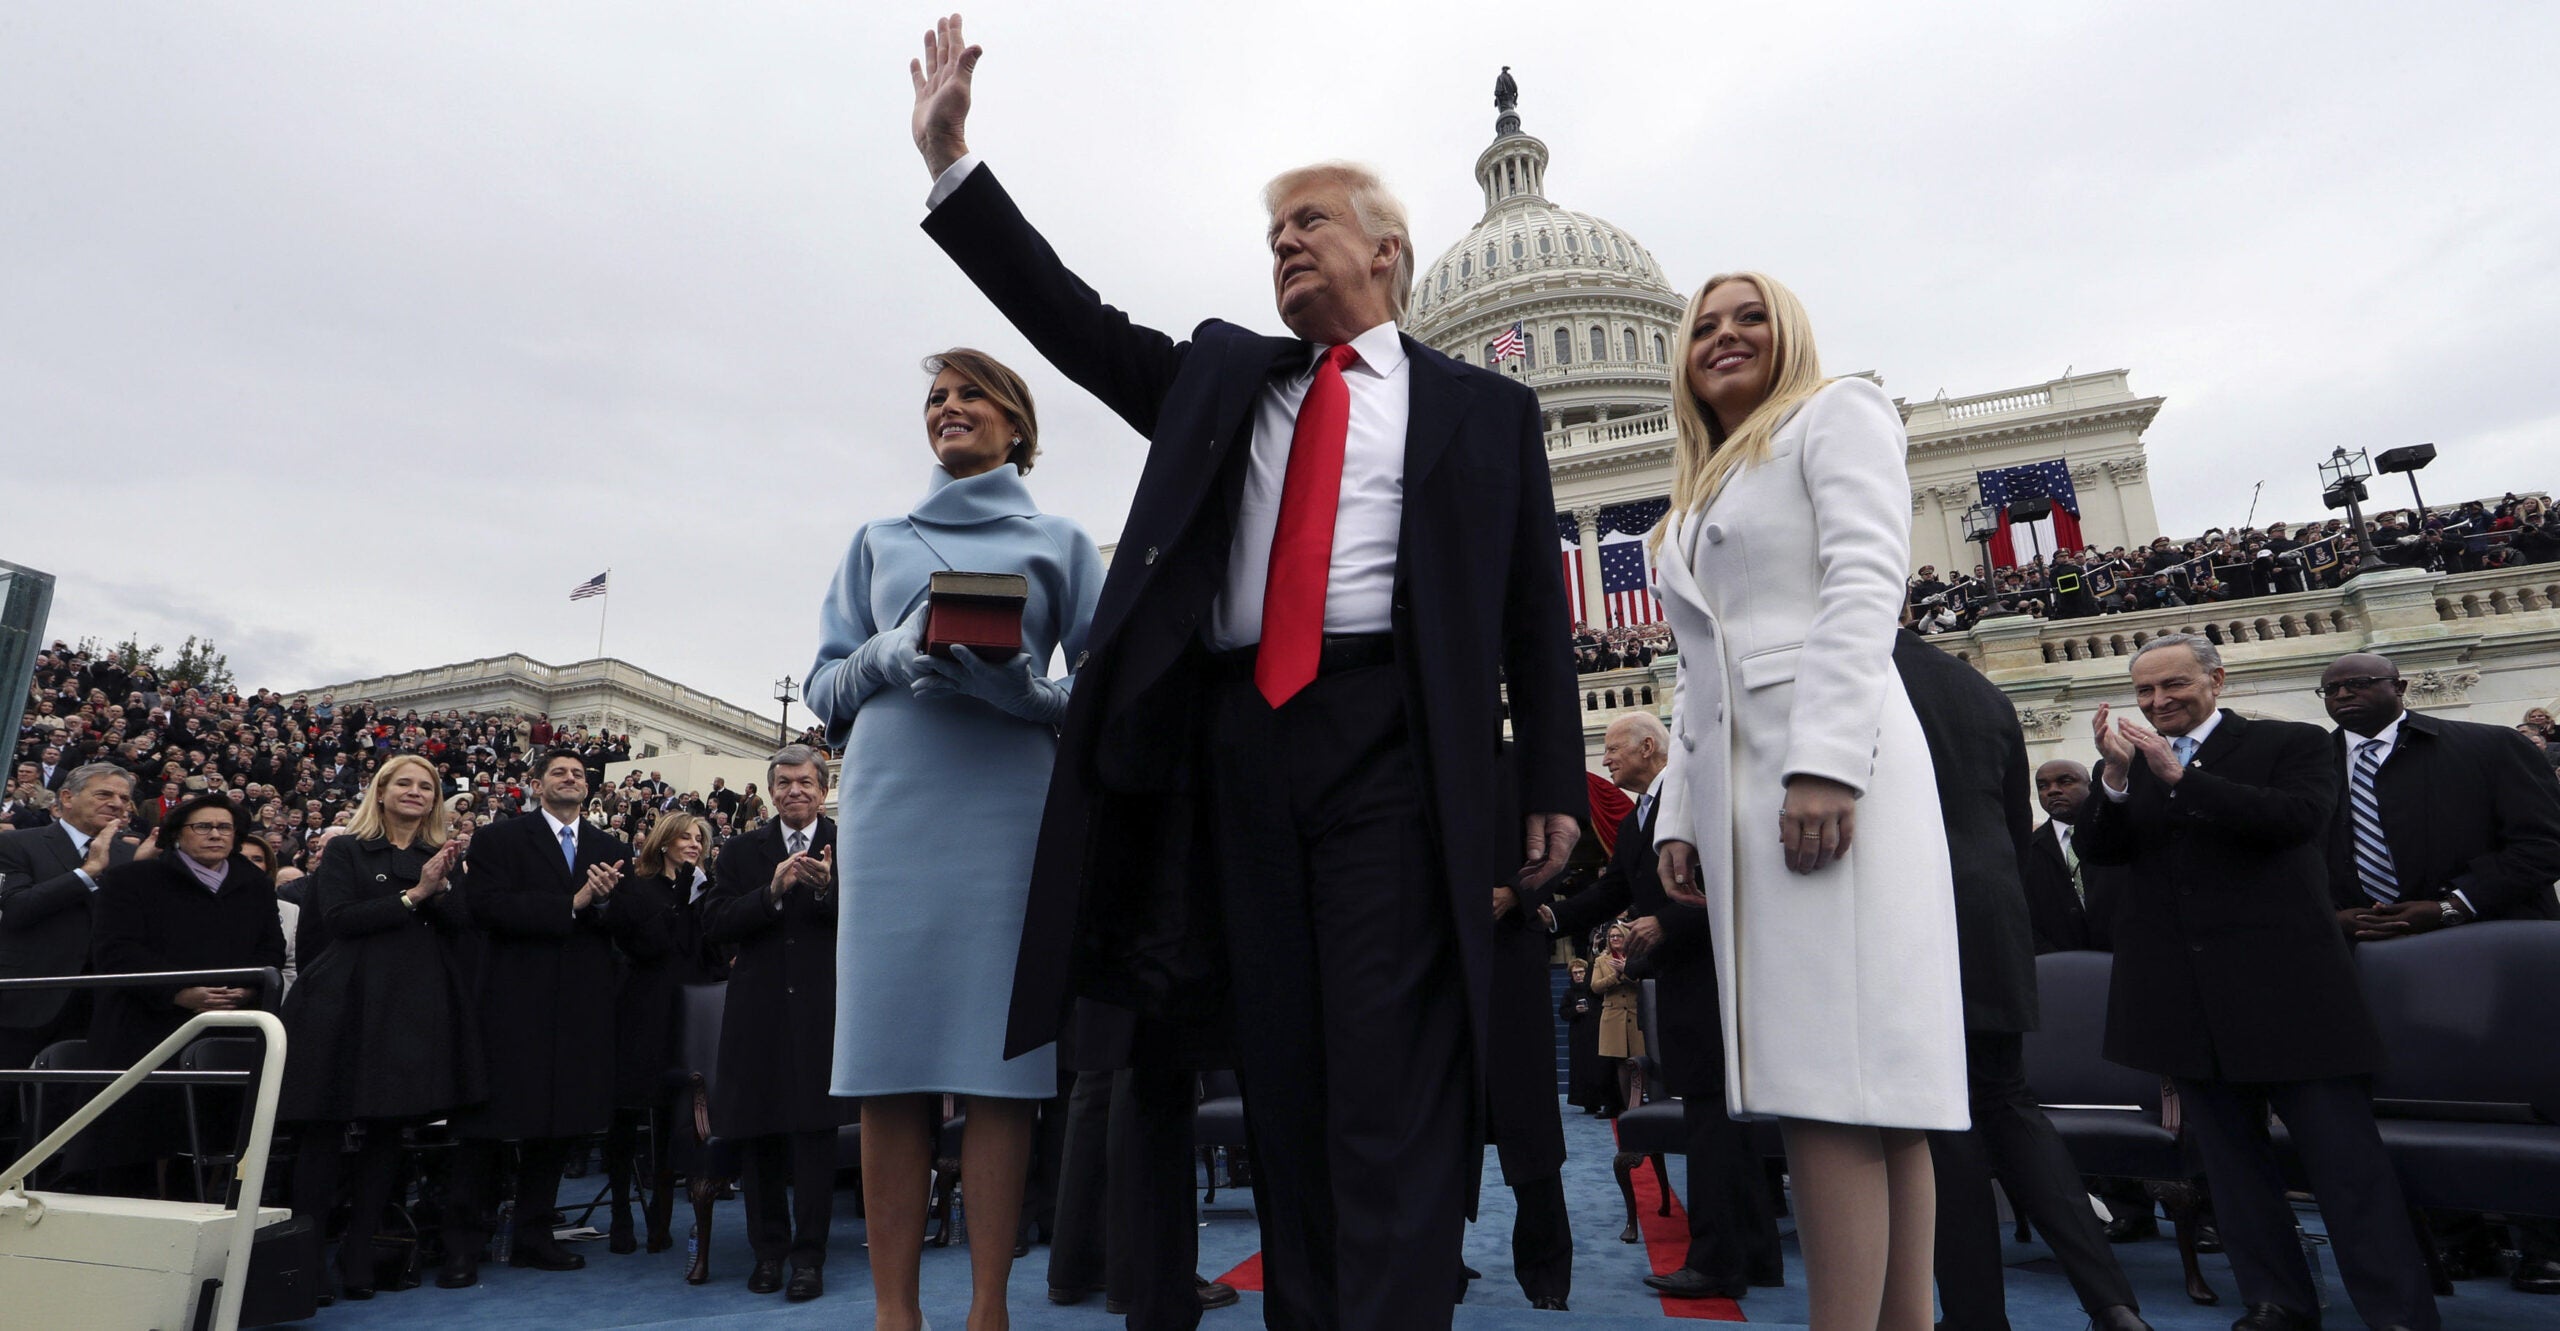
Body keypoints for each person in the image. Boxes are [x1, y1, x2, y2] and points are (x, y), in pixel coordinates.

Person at [908, 21, 1585, 1328]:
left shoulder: (1484, 411)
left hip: (1392, 742)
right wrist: (953, 165)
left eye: (1309, 221)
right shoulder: (1228, 376)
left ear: (1386, 251)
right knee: (1280, 1071)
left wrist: (1551, 776)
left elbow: (1527, 612)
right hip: (1234, 750)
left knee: (1384, 1066)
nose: (1283, 244)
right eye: (1272, 232)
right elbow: (1073, 323)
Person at [1649, 271, 1967, 1331]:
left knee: (1836, 1077)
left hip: (1829, 766)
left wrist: (1827, 760)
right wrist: (1679, 813)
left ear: (1788, 334)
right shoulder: (1698, 493)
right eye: (1705, 325)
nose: (1725, 335)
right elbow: (1695, 672)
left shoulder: (1836, 412)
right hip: (1745, 790)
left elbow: (1865, 578)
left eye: (1750, 317)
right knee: (1864, 1087)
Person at [805, 344, 1102, 1331]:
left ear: (1017, 423)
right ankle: (894, 1315)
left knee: (997, 1072)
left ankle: (987, 1311)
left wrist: (1032, 695)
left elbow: (1108, 689)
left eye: (972, 393)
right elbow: (823, 686)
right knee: (886, 1069)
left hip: (1008, 814)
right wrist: (884, 656)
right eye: (936, 396)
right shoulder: (874, 539)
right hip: (891, 811)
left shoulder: (1064, 541)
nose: (948, 407)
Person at [2076, 635, 2438, 1331]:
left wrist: (2181, 779)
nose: (2158, 701)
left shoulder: (2290, 742)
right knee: (2233, 1171)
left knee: (2347, 1167)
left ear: (2216, 679)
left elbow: (2296, 820)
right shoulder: (2133, 763)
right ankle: (2276, 1302)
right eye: (2145, 691)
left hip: (2291, 996)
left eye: (2174, 685)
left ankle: (2398, 1313)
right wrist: (2116, 780)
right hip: (2189, 1002)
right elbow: (2103, 852)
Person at [1890, 631, 2148, 1331]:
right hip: (1991, 915)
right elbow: (2011, 824)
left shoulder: (1843, 666)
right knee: (2009, 1103)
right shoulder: (1981, 689)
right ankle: (2113, 1303)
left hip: (1906, 913)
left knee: (1942, 1128)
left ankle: (1976, 1316)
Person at [2316, 651, 2560, 1294]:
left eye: (2359, 683)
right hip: (2372, 960)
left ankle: (2544, 1242)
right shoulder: (2311, 768)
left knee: (2515, 1096)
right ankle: (2457, 1239)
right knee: (2410, 1095)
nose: (2343, 696)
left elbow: (2543, 843)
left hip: (2489, 950)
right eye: (2331, 689)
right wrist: (2332, 916)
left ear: (2399, 686)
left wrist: (2451, 905)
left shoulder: (2487, 746)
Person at [1543, 711, 1781, 1301]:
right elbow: (1613, 890)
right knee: (1718, 1124)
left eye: (1613, 749)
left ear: (1649, 747)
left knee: (1714, 1125)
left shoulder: (1698, 798)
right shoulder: (1636, 822)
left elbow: (1737, 880)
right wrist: (1549, 918)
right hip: (1680, 985)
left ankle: (1716, 1264)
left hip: (1716, 983)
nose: (1605, 760)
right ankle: (1756, 1255)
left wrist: (1668, 921)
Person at [277, 754, 482, 1300]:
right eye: (404, 783)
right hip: (345, 1002)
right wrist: (415, 894)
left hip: (412, 1006)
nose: (416, 792)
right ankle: (307, 1261)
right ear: (382, 792)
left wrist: (442, 885)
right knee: (324, 1131)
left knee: (388, 1131)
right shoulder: (346, 849)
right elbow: (339, 919)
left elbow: (461, 926)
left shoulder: (441, 857)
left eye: (426, 786)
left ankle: (360, 1254)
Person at [437, 747, 630, 1289]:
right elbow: (487, 907)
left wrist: (605, 904)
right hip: (512, 1003)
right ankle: (462, 1246)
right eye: (559, 772)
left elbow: (626, 920)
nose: (570, 778)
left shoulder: (610, 848)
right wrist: (573, 902)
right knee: (486, 1132)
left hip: (580, 1008)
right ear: (536, 784)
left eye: (578, 774)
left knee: (557, 1128)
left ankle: (534, 1236)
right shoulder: (500, 839)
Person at [701, 746, 852, 1300]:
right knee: (759, 1135)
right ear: (770, 792)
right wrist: (771, 893)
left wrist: (828, 888)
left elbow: (875, 919)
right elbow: (715, 922)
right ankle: (768, 1254)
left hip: (823, 1013)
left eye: (805, 782)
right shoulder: (743, 850)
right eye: (784, 782)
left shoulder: (850, 843)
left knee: (815, 1139)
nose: (795, 791)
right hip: (757, 1014)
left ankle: (809, 1259)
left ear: (822, 789)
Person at [85, 793, 287, 1197]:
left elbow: (271, 950)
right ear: (178, 833)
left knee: (215, 1142)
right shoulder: (132, 879)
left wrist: (247, 988)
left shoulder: (255, 886)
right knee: (141, 1148)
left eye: (225, 827)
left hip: (228, 1028)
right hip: (146, 1030)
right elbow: (116, 951)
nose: (215, 834)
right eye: (203, 826)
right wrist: (178, 992)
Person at [0, 764, 143, 1104]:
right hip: (25, 1000)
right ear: (67, 797)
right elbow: (16, 909)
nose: (117, 803)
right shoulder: (16, 843)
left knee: (70, 1107)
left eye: (124, 798)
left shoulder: (131, 856)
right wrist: (87, 872)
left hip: (98, 1005)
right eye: (104, 794)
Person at [601, 811, 708, 1257]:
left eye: (699, 838)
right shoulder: (636, 888)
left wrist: (695, 898)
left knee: (673, 1119)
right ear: (664, 842)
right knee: (628, 1116)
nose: (694, 843)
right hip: (642, 1013)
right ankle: (621, 1213)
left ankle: (661, 1218)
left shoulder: (704, 892)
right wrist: (681, 898)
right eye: (685, 836)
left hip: (689, 1016)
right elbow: (650, 945)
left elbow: (710, 953)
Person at [2018, 759, 2126, 955]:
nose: (2052, 791)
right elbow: (2023, 918)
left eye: (2065, 781)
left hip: (2126, 957)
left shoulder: (2118, 837)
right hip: (2060, 964)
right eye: (2042, 786)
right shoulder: (2027, 851)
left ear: (2090, 787)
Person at [1588, 923, 1644, 1115]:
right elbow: (1595, 987)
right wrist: (1616, 976)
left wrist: (1626, 971)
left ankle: (1641, 1103)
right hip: (1613, 1016)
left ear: (1626, 937)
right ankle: (1628, 1108)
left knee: (1639, 1059)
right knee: (1621, 1062)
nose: (1614, 939)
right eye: (1611, 937)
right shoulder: (1601, 961)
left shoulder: (1637, 958)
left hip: (1636, 1015)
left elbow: (1644, 981)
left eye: (1618, 936)